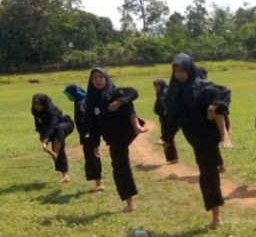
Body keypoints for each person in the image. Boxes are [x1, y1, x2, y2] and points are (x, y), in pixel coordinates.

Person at [162, 53, 231, 229]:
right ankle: (215, 214)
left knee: (208, 175)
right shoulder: (174, 92)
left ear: (190, 69)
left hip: (209, 134)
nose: (179, 74)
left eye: (183, 70)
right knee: (206, 173)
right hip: (195, 139)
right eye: (176, 71)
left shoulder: (202, 86)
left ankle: (216, 217)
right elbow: (172, 118)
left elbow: (225, 92)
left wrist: (213, 105)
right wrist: (167, 138)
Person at [85, 67, 141, 212]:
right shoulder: (91, 101)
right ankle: (129, 202)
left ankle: (136, 124)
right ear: (91, 82)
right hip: (112, 137)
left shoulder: (114, 91)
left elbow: (133, 92)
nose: (98, 80)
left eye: (100, 77)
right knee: (119, 166)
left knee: (120, 164)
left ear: (106, 78)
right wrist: (95, 144)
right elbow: (92, 124)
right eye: (94, 78)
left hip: (124, 130)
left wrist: (119, 102)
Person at [63, 84, 104, 191]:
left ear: (74, 94)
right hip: (89, 134)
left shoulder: (81, 103)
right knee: (91, 156)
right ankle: (98, 183)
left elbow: (86, 117)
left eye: (68, 95)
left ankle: (99, 184)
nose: (68, 98)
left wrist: (87, 132)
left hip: (88, 134)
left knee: (92, 157)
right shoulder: (82, 100)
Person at [31, 94, 74, 183]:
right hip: (53, 130)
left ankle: (56, 153)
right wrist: (42, 138)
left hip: (65, 125)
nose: (37, 107)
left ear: (44, 104)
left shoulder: (52, 111)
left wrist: (45, 140)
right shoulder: (35, 111)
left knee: (58, 134)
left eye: (39, 105)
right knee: (57, 140)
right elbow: (39, 125)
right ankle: (65, 175)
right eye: (35, 105)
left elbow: (51, 126)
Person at [153, 79, 179, 164]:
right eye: (155, 86)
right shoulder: (161, 93)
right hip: (165, 119)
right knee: (169, 138)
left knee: (168, 138)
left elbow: (166, 106)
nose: (156, 88)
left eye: (157, 86)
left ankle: (173, 158)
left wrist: (166, 112)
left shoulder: (164, 94)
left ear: (161, 85)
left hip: (169, 119)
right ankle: (173, 158)